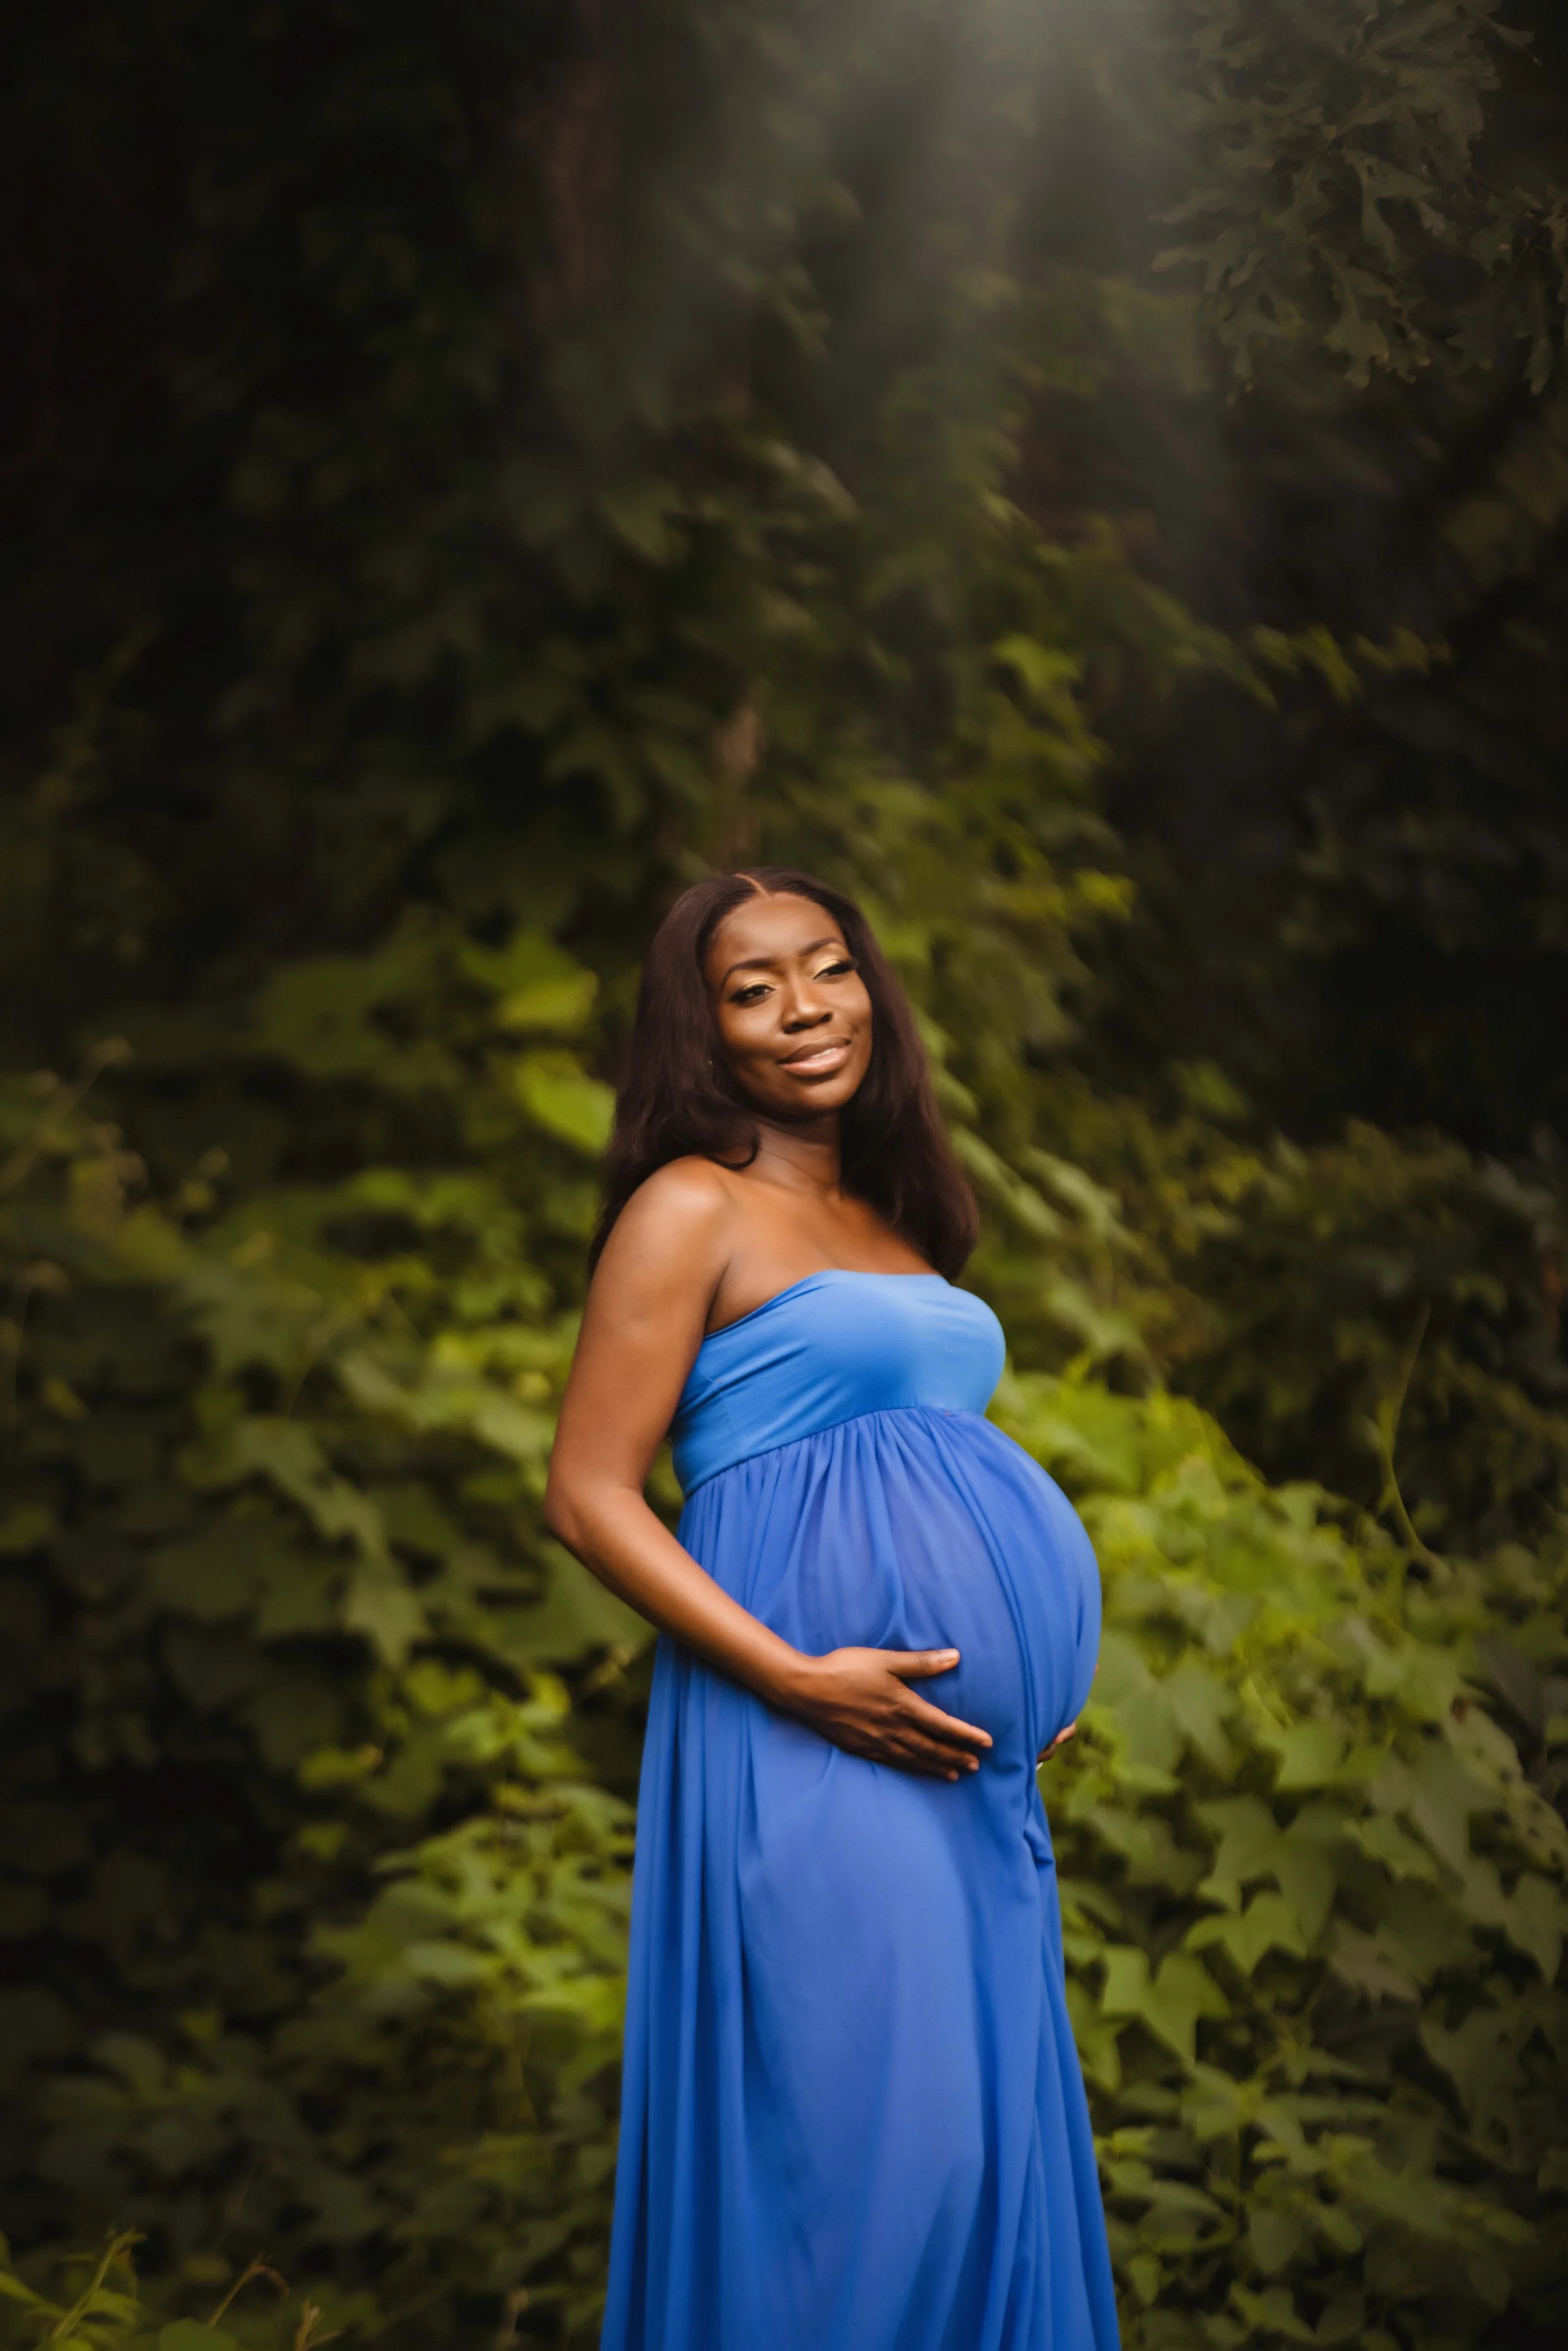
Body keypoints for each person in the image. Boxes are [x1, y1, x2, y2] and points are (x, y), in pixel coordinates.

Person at [545, 868, 1119, 2351]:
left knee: (983, 2156)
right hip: (809, 1733)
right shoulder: (691, 1205)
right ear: (701, 1028)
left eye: (828, 967)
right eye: (753, 988)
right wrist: (796, 1676)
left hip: (964, 1768)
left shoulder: (890, 1211)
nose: (804, 1008)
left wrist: (1030, 1662)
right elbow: (590, 1493)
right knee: (886, 2153)